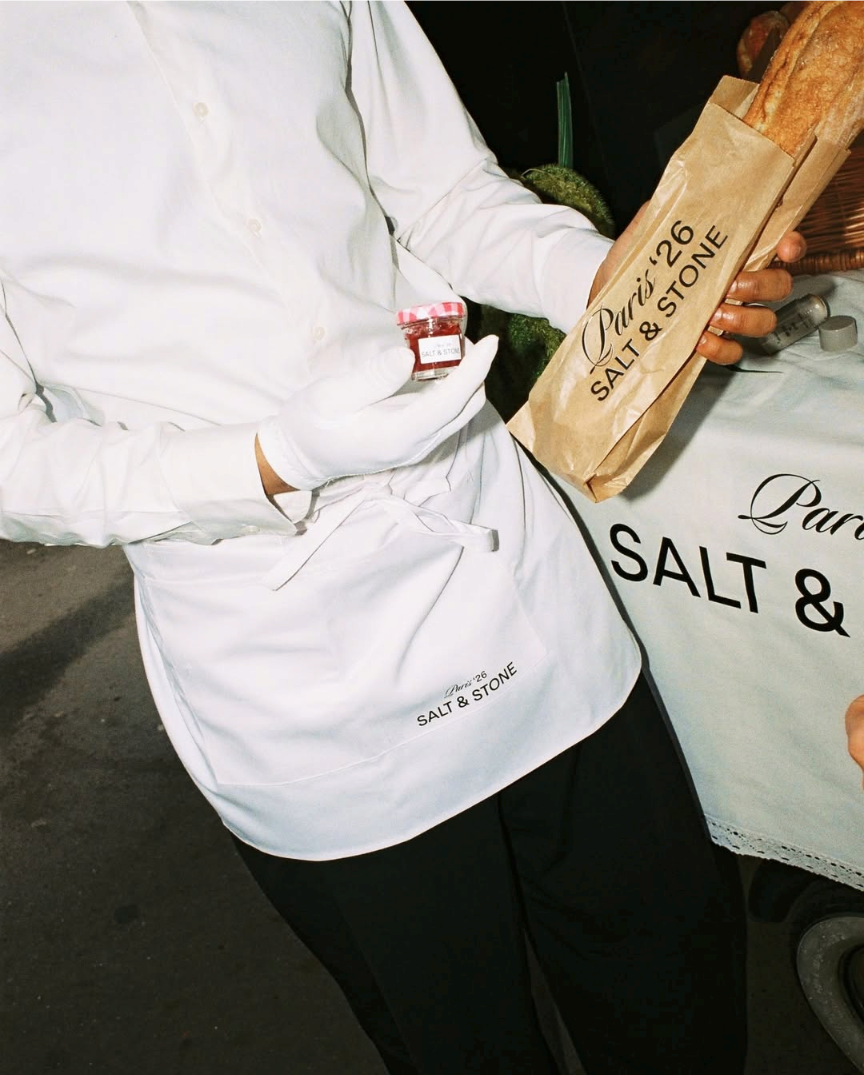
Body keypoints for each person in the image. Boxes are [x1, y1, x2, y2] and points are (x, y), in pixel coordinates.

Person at [0, 3, 805, 1073]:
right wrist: (273, 456)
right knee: (463, 1045)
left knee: (675, 984)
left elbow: (442, 196)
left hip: (509, 573)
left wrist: (612, 286)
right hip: (290, 671)